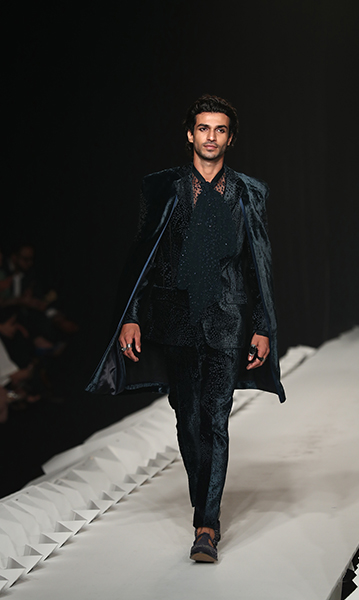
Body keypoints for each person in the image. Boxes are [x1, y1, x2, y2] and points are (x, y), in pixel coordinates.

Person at [86, 95, 285, 562]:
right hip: (175, 317)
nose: (211, 136)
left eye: (220, 129)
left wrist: (262, 325)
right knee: (187, 418)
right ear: (190, 134)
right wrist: (131, 315)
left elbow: (258, 262)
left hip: (228, 318)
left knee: (216, 419)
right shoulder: (161, 188)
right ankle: (205, 507)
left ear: (230, 138)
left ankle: (206, 525)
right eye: (204, 128)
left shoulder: (250, 192)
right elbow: (144, 256)